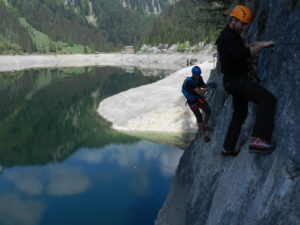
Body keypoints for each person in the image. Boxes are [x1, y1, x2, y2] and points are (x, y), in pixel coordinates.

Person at [215, 5, 277, 156]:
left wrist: (260, 44)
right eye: (242, 24)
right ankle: (258, 141)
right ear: (233, 20)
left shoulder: (231, 35)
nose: (243, 27)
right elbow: (242, 54)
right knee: (267, 100)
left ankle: (227, 148)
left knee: (240, 114)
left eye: (245, 25)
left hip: (232, 81)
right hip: (236, 82)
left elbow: (243, 48)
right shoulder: (228, 37)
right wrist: (262, 46)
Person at [182, 66, 213, 142]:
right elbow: (199, 91)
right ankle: (204, 136)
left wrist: (208, 86)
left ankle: (205, 125)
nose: (198, 76)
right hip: (193, 102)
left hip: (198, 99)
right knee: (199, 117)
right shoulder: (190, 82)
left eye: (198, 74)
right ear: (194, 74)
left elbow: (202, 85)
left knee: (208, 111)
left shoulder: (199, 78)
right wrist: (208, 88)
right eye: (197, 74)